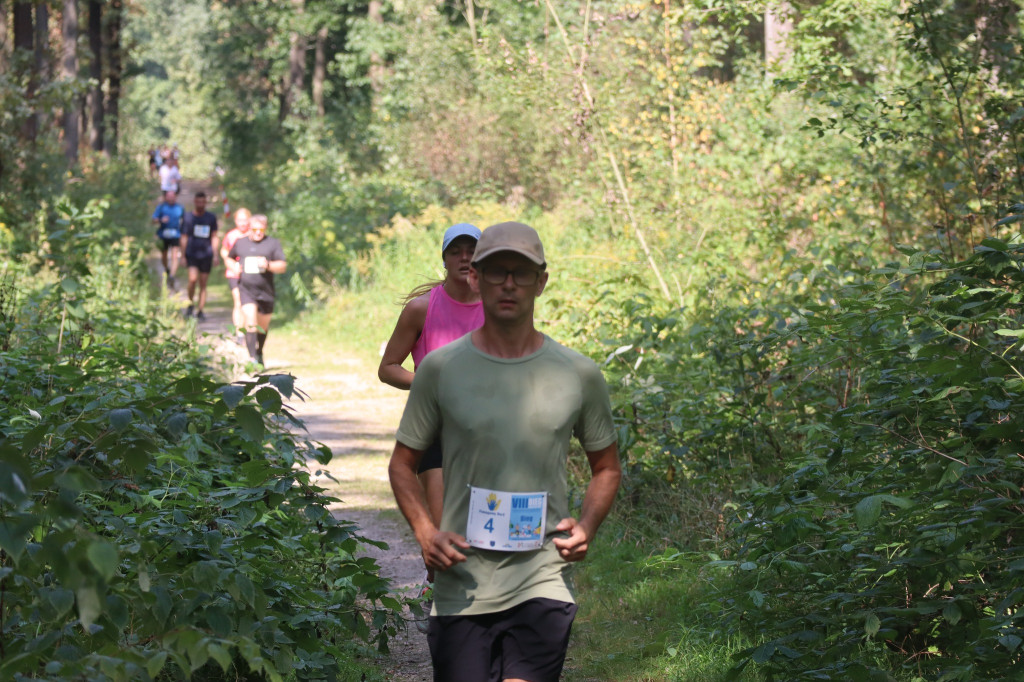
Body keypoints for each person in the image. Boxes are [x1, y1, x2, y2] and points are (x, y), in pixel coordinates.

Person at [388, 221, 622, 681]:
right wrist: (424, 531)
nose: (509, 283)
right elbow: (402, 463)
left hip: (543, 578)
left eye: (522, 272)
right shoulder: (439, 370)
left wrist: (588, 525)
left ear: (542, 280)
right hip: (462, 584)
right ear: (475, 277)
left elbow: (607, 468)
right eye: (496, 271)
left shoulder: (578, 374)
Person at [378, 223, 484, 631]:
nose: (464, 257)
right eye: (455, 250)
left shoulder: (499, 307)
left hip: (488, 433)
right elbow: (388, 368)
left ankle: (467, 601)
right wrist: (431, 385)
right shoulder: (423, 308)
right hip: (435, 429)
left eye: (472, 250)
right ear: (444, 258)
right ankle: (436, 592)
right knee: (442, 526)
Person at [227, 214, 287, 367]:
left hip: (266, 291)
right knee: (251, 323)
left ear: (265, 228)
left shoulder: (272, 243)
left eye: (261, 229)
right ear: (249, 228)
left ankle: (259, 351)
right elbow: (229, 257)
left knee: (263, 327)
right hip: (246, 289)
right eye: (255, 229)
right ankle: (252, 359)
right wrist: (233, 266)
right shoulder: (241, 243)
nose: (258, 232)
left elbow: (282, 266)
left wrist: (268, 265)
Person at [180, 191, 219, 320]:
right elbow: (184, 236)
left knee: (203, 283)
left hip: (206, 254)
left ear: (205, 203)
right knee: (192, 279)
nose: (200, 204)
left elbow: (214, 236)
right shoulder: (188, 217)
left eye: (203, 202)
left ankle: (201, 310)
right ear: (195, 202)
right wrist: (183, 255)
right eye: (198, 202)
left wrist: (215, 255)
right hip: (192, 253)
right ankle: (190, 304)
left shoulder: (211, 218)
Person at [220, 207, 252, 343]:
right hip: (234, 273)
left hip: (251, 273)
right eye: (240, 220)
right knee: (238, 300)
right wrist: (230, 263)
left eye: (245, 220)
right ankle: (239, 332)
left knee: (249, 303)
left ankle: (249, 328)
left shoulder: (254, 234)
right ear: (235, 221)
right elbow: (224, 251)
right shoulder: (231, 235)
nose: (243, 223)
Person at [152, 190, 185, 289]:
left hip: (176, 234)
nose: (171, 198)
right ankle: (167, 269)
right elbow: (154, 219)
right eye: (168, 196)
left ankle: (172, 275)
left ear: (175, 197)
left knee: (175, 255)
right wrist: (161, 220)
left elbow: (185, 220)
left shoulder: (180, 208)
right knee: (164, 255)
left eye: (172, 196)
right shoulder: (161, 207)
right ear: (166, 197)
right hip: (163, 234)